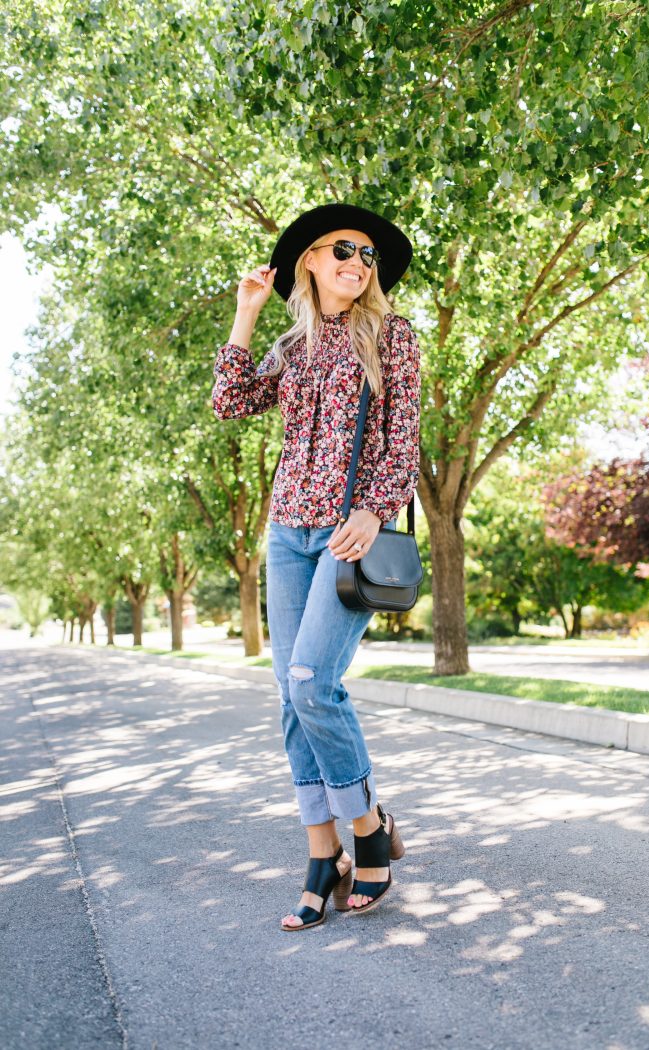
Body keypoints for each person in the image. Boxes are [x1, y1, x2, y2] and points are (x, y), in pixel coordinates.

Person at [211, 203, 421, 930]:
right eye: (343, 250)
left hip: (345, 535)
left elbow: (403, 441)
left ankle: (367, 832)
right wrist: (246, 314)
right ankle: (319, 853)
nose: (358, 263)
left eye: (368, 256)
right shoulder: (293, 344)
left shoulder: (394, 338)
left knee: (311, 683)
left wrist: (373, 509)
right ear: (309, 259)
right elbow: (228, 400)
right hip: (284, 532)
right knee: (288, 698)